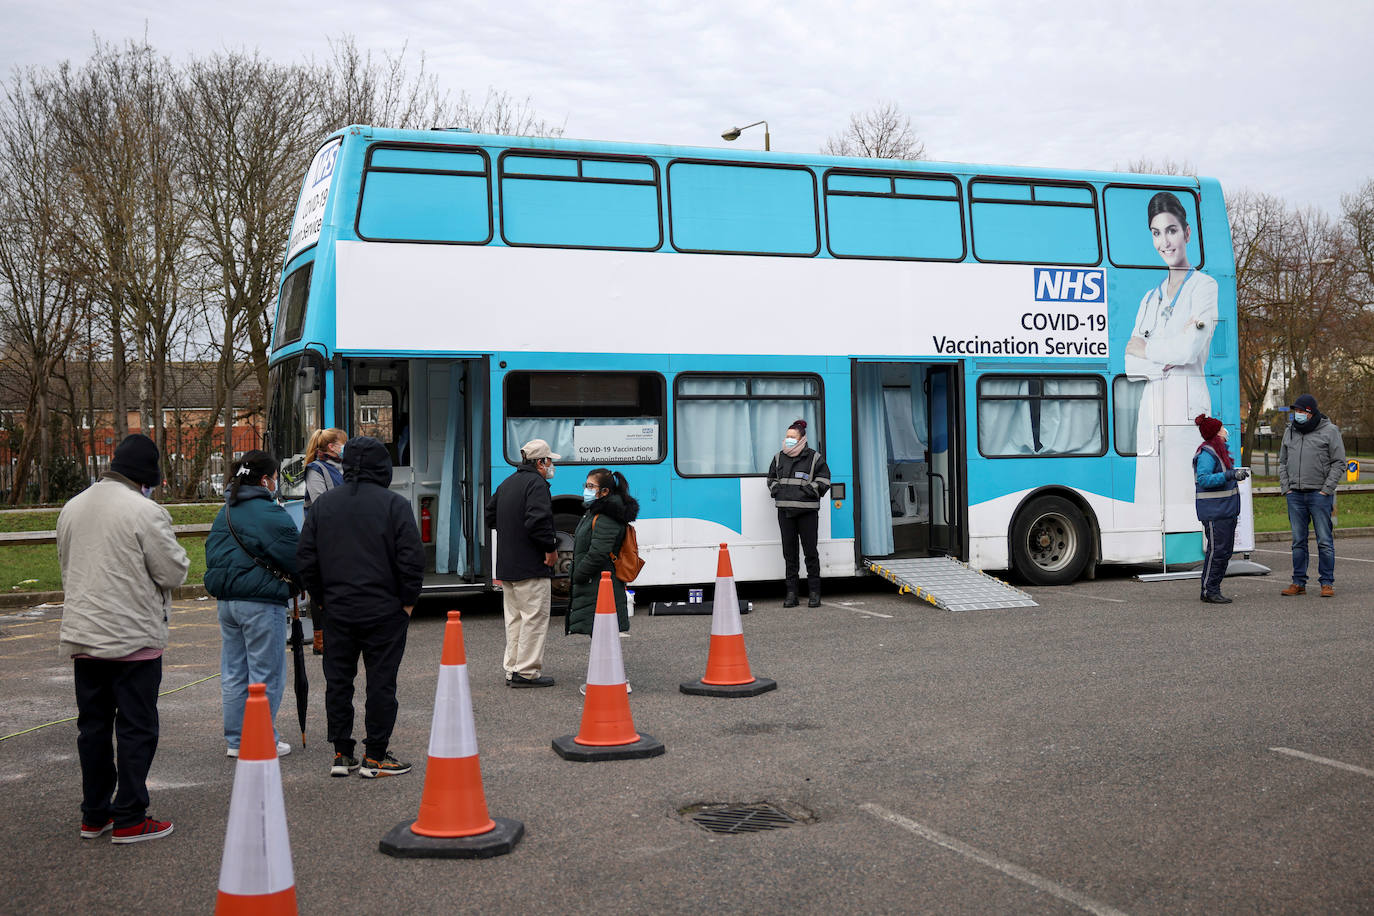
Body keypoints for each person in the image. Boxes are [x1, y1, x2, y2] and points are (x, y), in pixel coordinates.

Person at [57, 434, 189, 843]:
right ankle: (131, 815)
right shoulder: (145, 511)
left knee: (92, 728)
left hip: (84, 636)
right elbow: (173, 571)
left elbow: (66, 565)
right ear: (146, 476)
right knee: (136, 727)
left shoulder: (72, 507)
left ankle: (94, 814)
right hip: (133, 640)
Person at [296, 435, 424, 778]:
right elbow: (411, 559)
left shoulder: (323, 505)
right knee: (381, 683)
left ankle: (342, 752)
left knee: (338, 682)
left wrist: (321, 597)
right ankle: (376, 755)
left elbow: (306, 558)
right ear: (383, 466)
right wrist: (408, 603)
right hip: (384, 610)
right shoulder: (394, 505)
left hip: (337, 609)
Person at [204, 450, 299, 758]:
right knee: (266, 673)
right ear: (265, 480)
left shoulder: (226, 510)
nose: (276, 483)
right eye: (275, 477)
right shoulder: (269, 513)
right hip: (260, 602)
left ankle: (236, 740)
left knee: (234, 672)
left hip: (227, 602)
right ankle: (260, 738)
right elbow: (297, 557)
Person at [485, 439, 559, 687]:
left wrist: (511, 530)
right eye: (549, 461)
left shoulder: (508, 483)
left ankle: (513, 668)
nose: (551, 466)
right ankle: (526, 672)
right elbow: (539, 521)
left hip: (507, 565)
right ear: (540, 462)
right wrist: (550, 547)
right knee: (534, 618)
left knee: (515, 619)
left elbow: (489, 515)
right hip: (531, 564)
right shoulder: (537, 484)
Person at [567, 469, 637, 693]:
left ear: (604, 491)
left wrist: (578, 574)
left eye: (591, 486)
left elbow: (598, 552)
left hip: (601, 582)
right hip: (596, 582)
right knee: (601, 632)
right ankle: (607, 679)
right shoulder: (597, 511)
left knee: (604, 632)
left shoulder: (607, 515)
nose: (586, 490)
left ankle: (616, 681)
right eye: (586, 485)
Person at [1278, 393, 1347, 597]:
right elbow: (1282, 461)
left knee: (1324, 541)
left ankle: (1327, 583)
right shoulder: (1290, 431)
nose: (1296, 414)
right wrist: (1287, 488)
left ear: (1310, 412)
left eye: (1300, 411)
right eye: (1295, 411)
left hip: (1319, 495)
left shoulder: (1330, 431)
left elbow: (1339, 462)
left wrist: (1326, 489)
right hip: (1295, 495)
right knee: (1298, 541)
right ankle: (1298, 582)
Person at [766, 419, 831, 607]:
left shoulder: (814, 458)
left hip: (807, 513)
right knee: (790, 554)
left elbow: (824, 480)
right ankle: (791, 594)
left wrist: (806, 492)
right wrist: (778, 489)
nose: (788, 440)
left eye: (792, 437)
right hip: (785, 512)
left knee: (810, 553)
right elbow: (770, 479)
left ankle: (814, 593)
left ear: (802, 439)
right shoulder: (778, 457)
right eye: (787, 437)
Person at [1192, 415, 1249, 604]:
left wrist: (1232, 475)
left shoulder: (1219, 451)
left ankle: (1213, 588)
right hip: (1215, 512)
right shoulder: (1207, 453)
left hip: (1225, 510)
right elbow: (1204, 479)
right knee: (1217, 551)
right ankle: (1209, 590)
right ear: (1216, 433)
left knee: (1224, 552)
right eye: (1222, 428)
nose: (1226, 430)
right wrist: (1230, 474)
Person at [302, 428, 346, 655]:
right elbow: (320, 503)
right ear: (332, 446)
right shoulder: (315, 470)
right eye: (343, 443)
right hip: (322, 536)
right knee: (319, 587)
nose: (345, 448)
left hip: (340, 534)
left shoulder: (343, 467)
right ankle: (320, 639)